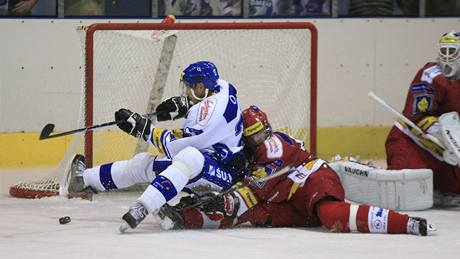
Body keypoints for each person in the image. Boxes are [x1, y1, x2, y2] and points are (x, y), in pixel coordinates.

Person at [156, 105, 435, 236]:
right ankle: (184, 217)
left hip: (309, 179)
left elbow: (254, 188)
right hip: (285, 199)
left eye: (260, 135)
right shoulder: (250, 154)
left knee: (332, 215)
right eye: (251, 138)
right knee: (244, 213)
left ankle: (406, 223)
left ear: (267, 130)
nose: (258, 142)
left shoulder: (273, 146)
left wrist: (227, 196)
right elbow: (253, 192)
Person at [66, 61, 247, 232]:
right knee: (142, 164)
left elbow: (176, 147)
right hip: (215, 163)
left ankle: (143, 206)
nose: (186, 92)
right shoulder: (222, 86)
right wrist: (186, 105)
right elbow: (203, 111)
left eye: (189, 89)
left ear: (201, 88)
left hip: (225, 177)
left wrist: (144, 129)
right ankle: (84, 180)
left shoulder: (210, 115)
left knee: (188, 156)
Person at [385, 31, 460, 206]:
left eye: (453, 52)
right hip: (413, 143)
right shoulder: (430, 75)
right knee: (403, 191)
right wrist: (446, 142)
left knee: (453, 191)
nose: (448, 57)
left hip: (449, 151)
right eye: (445, 51)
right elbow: (418, 116)